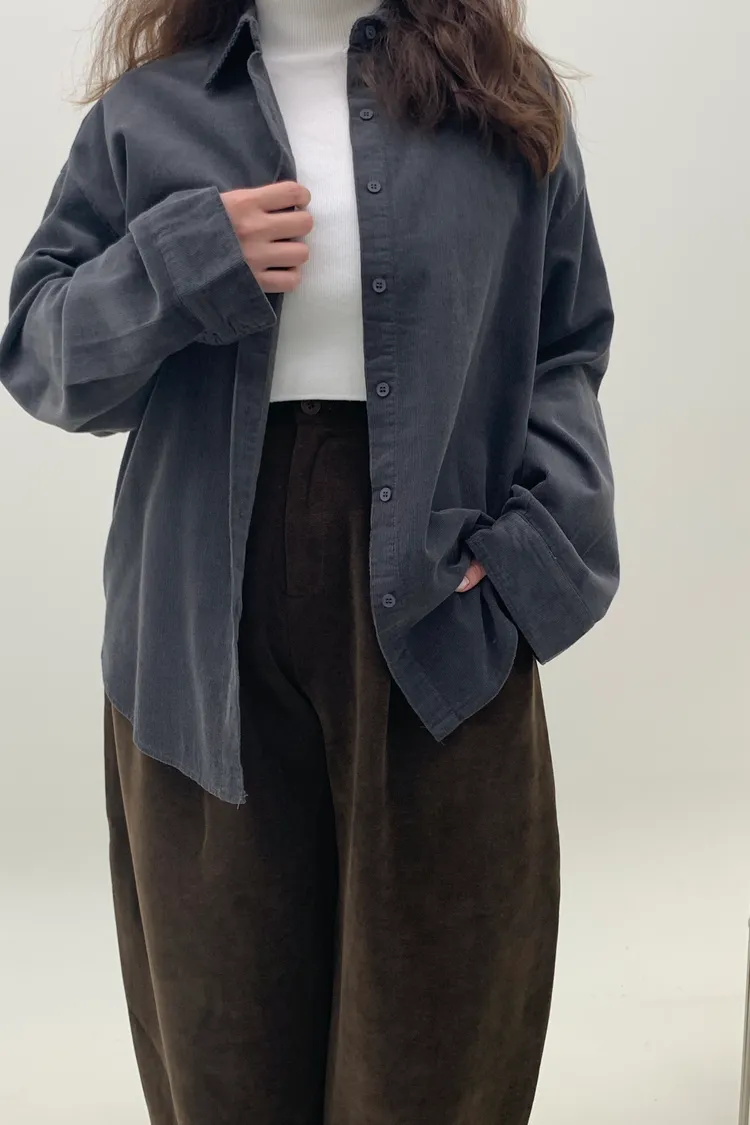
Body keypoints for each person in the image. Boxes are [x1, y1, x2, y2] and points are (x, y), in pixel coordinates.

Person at [0, 0, 618, 1121]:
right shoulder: (148, 113)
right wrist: (183, 263)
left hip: (444, 617)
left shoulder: (502, 102)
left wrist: (534, 557)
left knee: (436, 1050)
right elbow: (42, 355)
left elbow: (565, 346)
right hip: (197, 639)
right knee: (223, 1053)